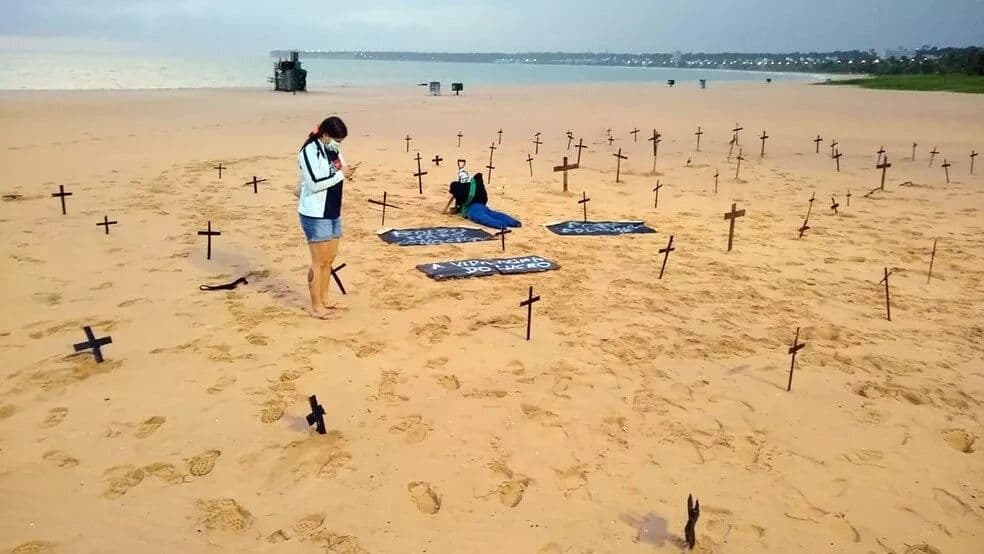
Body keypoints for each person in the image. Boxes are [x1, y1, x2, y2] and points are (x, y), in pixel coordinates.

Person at [296, 116, 356, 319]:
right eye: (337, 140)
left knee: (329, 259)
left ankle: (325, 299)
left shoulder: (333, 148)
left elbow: (341, 167)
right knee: (318, 261)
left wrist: (347, 172)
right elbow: (314, 183)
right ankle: (316, 306)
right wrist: (341, 175)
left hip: (332, 208)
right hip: (315, 212)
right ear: (326, 134)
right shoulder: (308, 151)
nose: (339, 145)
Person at [442, 161, 521, 229]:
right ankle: (514, 222)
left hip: (474, 206)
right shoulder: (465, 188)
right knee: (492, 213)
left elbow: (462, 204)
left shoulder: (461, 193)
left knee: (481, 217)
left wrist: (456, 208)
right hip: (481, 204)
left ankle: (500, 225)